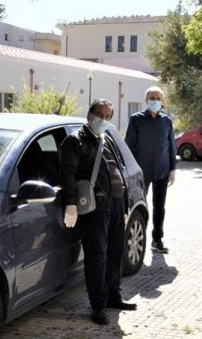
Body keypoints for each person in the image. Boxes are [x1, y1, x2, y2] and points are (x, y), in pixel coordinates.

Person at [60, 99, 137, 326]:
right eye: (99, 115)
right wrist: (71, 203)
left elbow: (118, 171)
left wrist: (124, 204)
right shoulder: (74, 141)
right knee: (97, 257)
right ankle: (98, 306)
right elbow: (67, 174)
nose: (103, 120)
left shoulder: (107, 138)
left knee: (115, 252)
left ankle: (114, 296)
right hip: (94, 208)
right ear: (89, 114)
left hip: (113, 205)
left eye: (108, 116)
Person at [125, 86, 176, 254]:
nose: (155, 100)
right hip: (141, 172)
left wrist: (172, 169)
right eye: (151, 98)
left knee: (159, 207)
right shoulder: (136, 120)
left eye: (158, 98)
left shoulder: (166, 121)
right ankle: (137, 238)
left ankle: (157, 239)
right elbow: (129, 146)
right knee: (139, 206)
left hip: (162, 170)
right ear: (146, 101)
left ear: (162, 101)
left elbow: (171, 147)